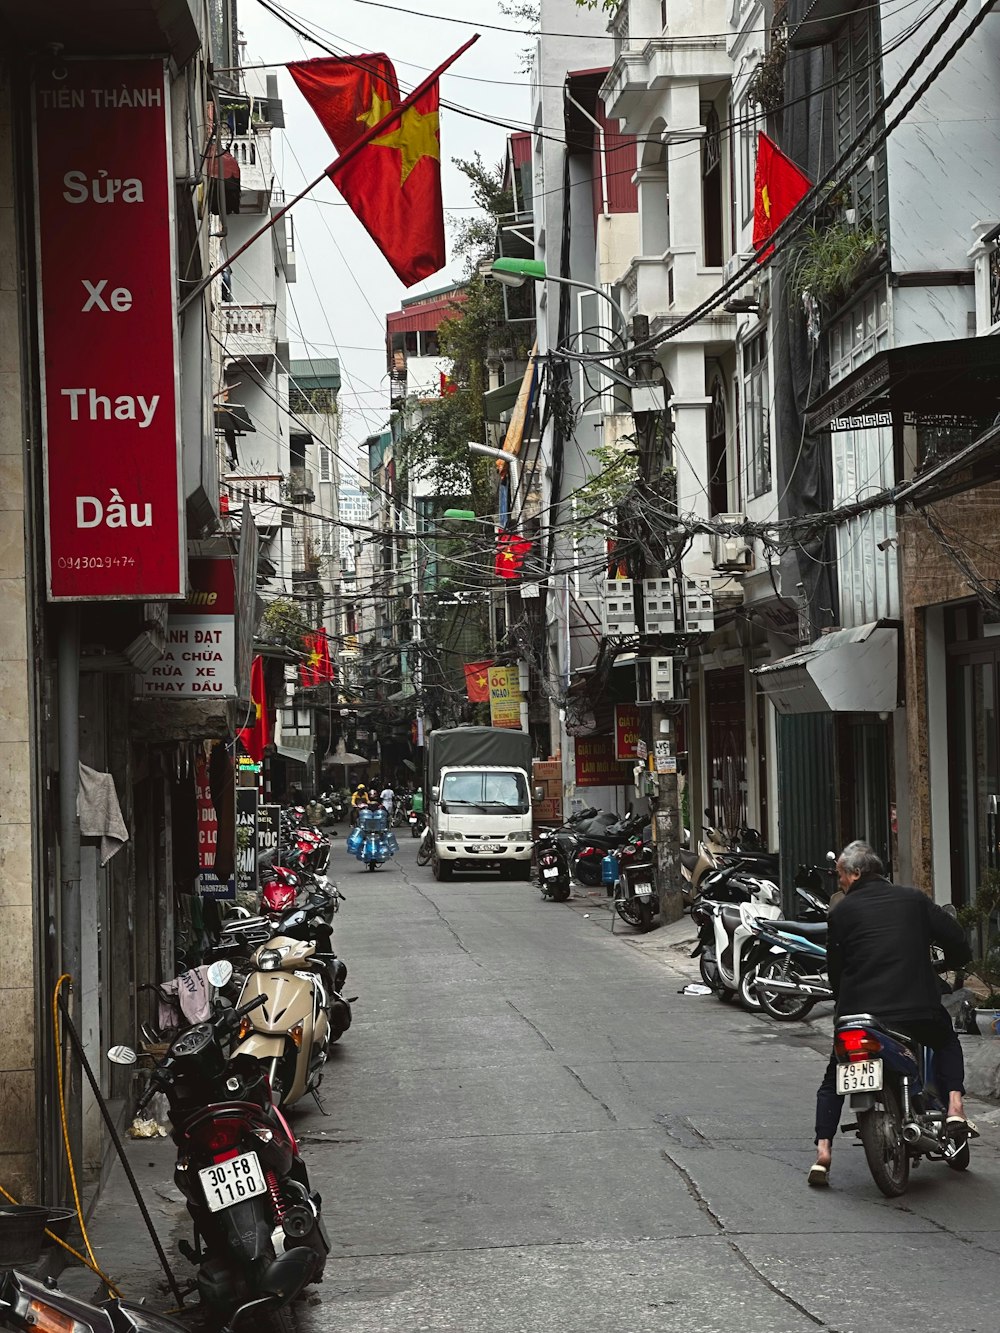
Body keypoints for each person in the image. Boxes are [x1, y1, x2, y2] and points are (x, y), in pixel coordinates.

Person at [808, 840, 973, 1187]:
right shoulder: (913, 900)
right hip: (915, 1008)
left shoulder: (840, 912)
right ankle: (955, 1108)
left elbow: (835, 967)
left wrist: (843, 1006)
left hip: (859, 1012)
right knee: (945, 1039)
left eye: (840, 875)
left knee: (833, 1076)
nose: (838, 882)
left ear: (855, 873)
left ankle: (823, 1153)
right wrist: (957, 960)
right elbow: (955, 936)